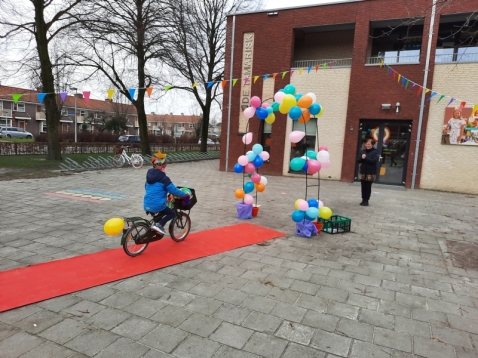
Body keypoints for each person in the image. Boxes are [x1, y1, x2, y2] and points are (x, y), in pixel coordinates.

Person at [143, 151, 189, 234]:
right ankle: (159, 225)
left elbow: (146, 188)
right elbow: (174, 191)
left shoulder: (149, 176)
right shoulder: (164, 179)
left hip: (146, 203)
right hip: (157, 205)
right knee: (172, 214)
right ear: (162, 166)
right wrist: (184, 195)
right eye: (165, 166)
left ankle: (155, 228)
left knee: (161, 210)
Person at [357, 138, 379, 206]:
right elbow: (358, 160)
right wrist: (362, 158)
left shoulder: (375, 152)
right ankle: (363, 199)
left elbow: (374, 161)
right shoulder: (362, 151)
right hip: (363, 171)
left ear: (372, 144)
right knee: (363, 186)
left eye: (369, 144)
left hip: (370, 172)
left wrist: (366, 158)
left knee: (368, 187)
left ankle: (367, 200)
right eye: (367, 144)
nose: (367, 145)